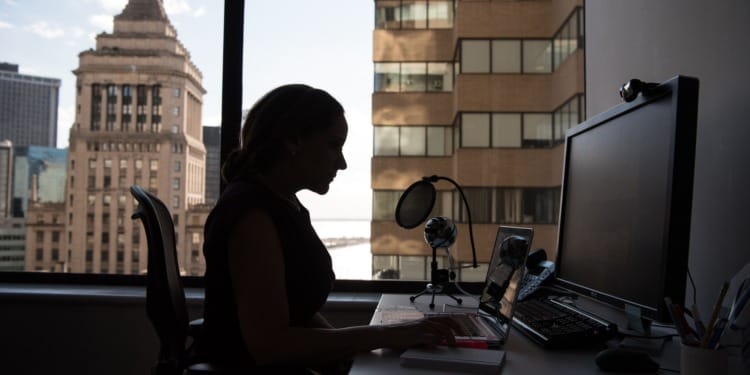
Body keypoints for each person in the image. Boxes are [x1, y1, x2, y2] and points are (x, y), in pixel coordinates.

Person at [197, 84, 457, 374]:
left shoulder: (284, 206)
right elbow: (270, 346)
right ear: (293, 140)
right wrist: (385, 336)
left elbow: (299, 312)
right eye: (334, 145)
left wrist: (351, 356)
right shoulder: (251, 215)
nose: (343, 163)